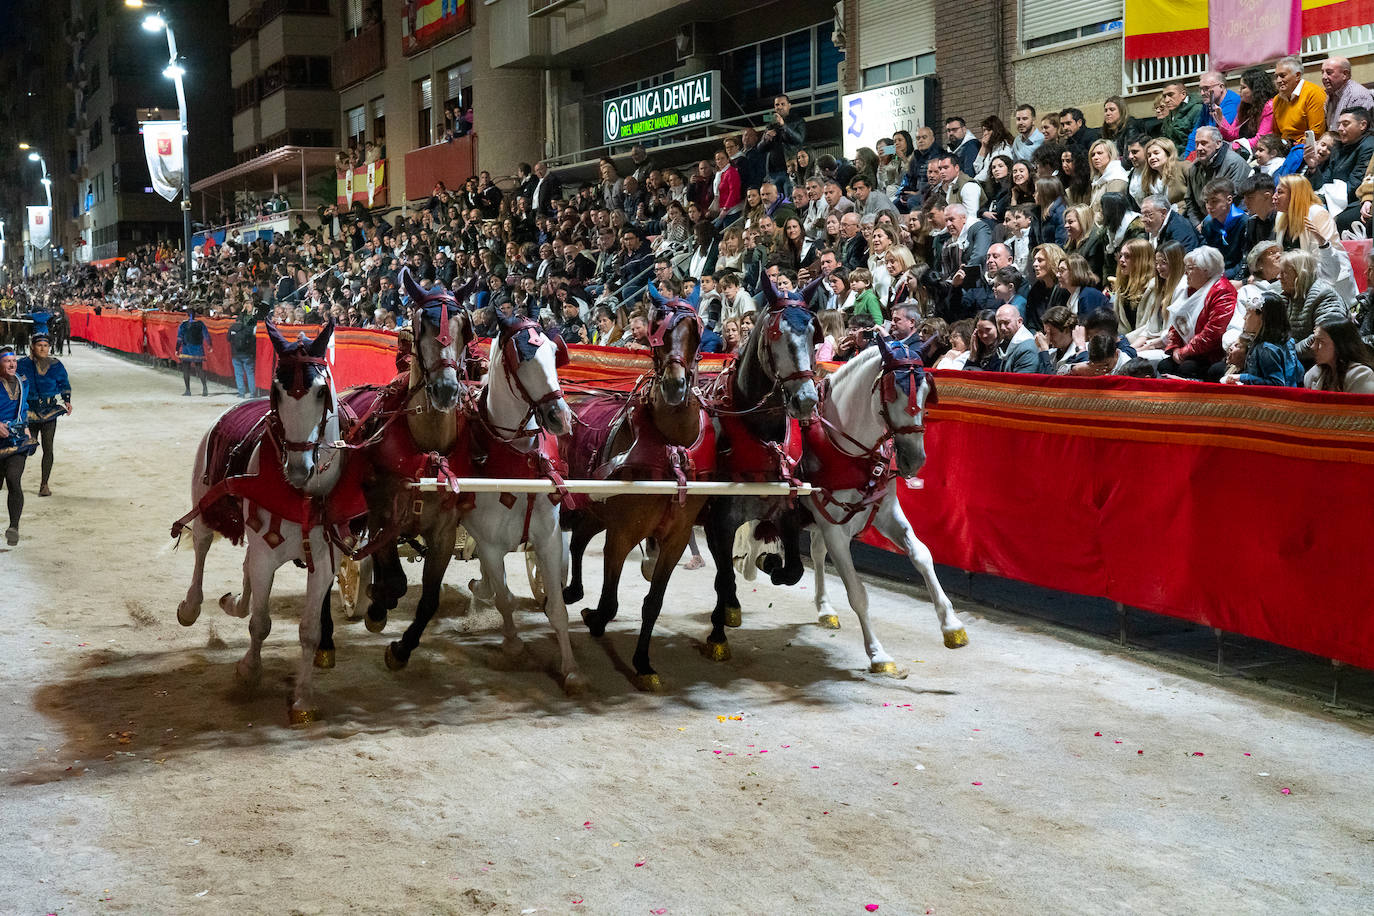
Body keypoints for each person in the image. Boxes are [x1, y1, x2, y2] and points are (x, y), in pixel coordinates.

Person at [1159, 246, 1236, 378]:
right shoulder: (1191, 288)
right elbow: (1177, 322)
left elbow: (1213, 333)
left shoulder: (1223, 291)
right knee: (1164, 365)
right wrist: (1175, 348)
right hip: (1190, 350)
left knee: (1187, 368)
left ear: (1206, 270)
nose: (1185, 273)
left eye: (1190, 268)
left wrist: (1184, 352)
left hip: (1210, 354)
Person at [16, 334, 71, 498]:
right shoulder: (22, 364)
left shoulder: (55, 365)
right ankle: (12, 478)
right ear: (32, 347)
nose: (42, 348)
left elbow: (64, 382)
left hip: (49, 411)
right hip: (29, 411)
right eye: (39, 345)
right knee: (27, 447)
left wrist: (67, 400)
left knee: (48, 448)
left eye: (45, 346)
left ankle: (44, 484)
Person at [1221, 292, 1303, 387]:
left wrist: (1242, 377)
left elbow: (1277, 384)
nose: (1244, 317)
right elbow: (1299, 374)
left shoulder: (1266, 349)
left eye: (1248, 313)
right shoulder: (1287, 342)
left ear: (1261, 317)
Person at [1280, 248, 1348, 360]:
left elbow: (1324, 337)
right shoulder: (1286, 295)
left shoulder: (1325, 295)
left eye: (1284, 273)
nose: (1279, 277)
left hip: (1320, 363)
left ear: (1299, 273)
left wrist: (1288, 353)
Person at [0, 345, 34, 545]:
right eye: (7, 361)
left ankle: (14, 527)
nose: (12, 364)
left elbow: (24, 407)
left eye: (14, 360)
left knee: (13, 479)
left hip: (16, 440)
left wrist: (26, 426)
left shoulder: (23, 381)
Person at [1184, 127, 1251, 224]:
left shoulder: (1235, 164)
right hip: (1203, 222)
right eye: (1197, 143)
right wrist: (1197, 224)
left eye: (1204, 143)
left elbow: (1232, 201)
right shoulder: (1194, 167)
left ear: (1218, 144)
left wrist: (1206, 224)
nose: (1198, 148)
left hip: (1231, 221)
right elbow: (1190, 201)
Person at [1131, 240, 1186, 353]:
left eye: (1163, 262)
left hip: (1171, 347)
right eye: (1156, 263)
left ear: (1176, 263)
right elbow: (1149, 330)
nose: (1158, 267)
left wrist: (1143, 348)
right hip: (1154, 343)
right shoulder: (1160, 287)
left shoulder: (1183, 288)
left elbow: (1172, 334)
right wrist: (1131, 349)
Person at [1305, 316, 1374, 393]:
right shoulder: (1314, 374)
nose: (1313, 347)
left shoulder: (1360, 375)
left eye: (1321, 341)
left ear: (1340, 345)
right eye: (1314, 340)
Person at [1214, 67, 1277, 145]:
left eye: (1243, 87)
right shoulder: (1244, 106)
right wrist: (1221, 119)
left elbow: (1261, 139)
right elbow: (1232, 135)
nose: (1239, 90)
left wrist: (1237, 145)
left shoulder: (1269, 107)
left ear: (1255, 89)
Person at [1272, 55, 1328, 143]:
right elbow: (1276, 133)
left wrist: (1295, 146)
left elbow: (1316, 134)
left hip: (1306, 147)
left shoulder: (1313, 93)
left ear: (1297, 75)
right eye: (1276, 77)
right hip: (1285, 146)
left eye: (1282, 76)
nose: (1278, 80)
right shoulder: (1277, 100)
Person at [1198, 178, 1248, 275]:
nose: (1209, 206)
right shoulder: (1208, 223)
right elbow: (1206, 253)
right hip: (1214, 272)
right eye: (1207, 201)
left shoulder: (1244, 222)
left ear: (1229, 200)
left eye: (1214, 201)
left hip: (1236, 274)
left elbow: (1245, 260)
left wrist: (1224, 276)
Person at [1186, 70, 1241, 155]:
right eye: (1201, 89)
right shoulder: (1208, 103)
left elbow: (1219, 135)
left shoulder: (1233, 102)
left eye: (1206, 88)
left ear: (1221, 87)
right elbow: (1196, 132)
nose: (1202, 93)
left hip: (1225, 150)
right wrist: (1188, 156)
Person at [1111, 237, 1157, 334]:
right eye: (1121, 256)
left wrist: (1126, 340)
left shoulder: (1154, 288)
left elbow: (1151, 328)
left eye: (1127, 256)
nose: (1121, 260)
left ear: (1141, 260)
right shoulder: (1122, 288)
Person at [1321, 56, 1374, 137]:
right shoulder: (1330, 94)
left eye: (1329, 72)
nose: (1324, 77)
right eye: (1322, 72)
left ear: (1345, 74)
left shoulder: (1358, 96)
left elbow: (1356, 134)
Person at [1064, 204, 1106, 284]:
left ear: (1083, 221)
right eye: (1066, 222)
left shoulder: (1095, 241)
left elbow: (1094, 277)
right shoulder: (1070, 241)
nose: (1065, 226)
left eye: (1070, 222)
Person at [1033, 305, 1082, 373]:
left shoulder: (1080, 354)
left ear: (1067, 330)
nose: (1048, 338)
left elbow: (1051, 379)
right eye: (1046, 333)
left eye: (1052, 334)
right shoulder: (1051, 353)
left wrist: (1044, 351)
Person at [177, 306, 211, 397]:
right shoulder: (200, 324)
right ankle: (204, 387)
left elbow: (179, 338)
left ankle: (188, 390)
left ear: (187, 315)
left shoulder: (183, 324)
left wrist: (177, 349)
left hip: (186, 349)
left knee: (186, 370)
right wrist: (209, 345)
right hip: (198, 349)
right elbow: (206, 335)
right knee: (199, 369)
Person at [994, 303, 1038, 372]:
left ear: (1019, 322)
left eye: (1006, 322)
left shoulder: (1027, 349)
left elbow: (1022, 378)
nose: (1002, 328)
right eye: (999, 323)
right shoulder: (1004, 342)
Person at [227, 305, 259, 399]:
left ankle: (241, 393)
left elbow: (228, 339)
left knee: (238, 374)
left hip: (235, 354)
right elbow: (253, 340)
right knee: (250, 373)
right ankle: (252, 393)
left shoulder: (232, 328)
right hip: (247, 354)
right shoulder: (247, 329)